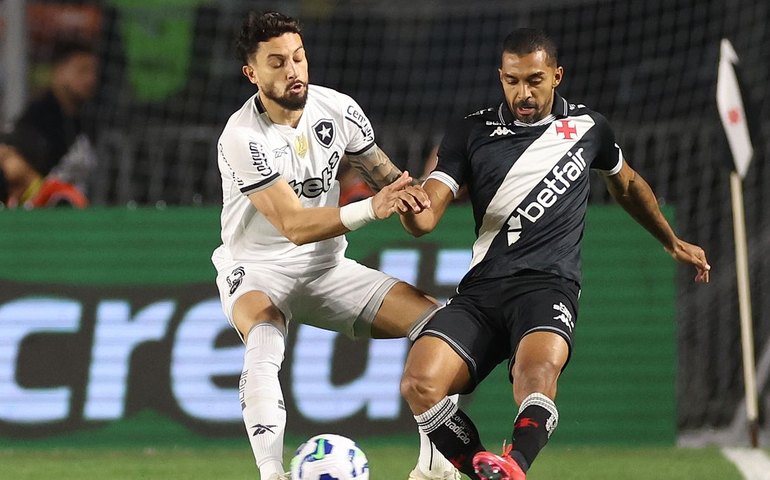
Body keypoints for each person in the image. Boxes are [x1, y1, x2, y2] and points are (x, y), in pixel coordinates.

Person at [398, 28, 711, 480]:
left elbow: (628, 185)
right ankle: (486, 470)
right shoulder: (471, 131)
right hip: (482, 291)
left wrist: (670, 239)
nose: (522, 93)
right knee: (419, 383)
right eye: (512, 81)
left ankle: (516, 463)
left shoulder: (589, 128)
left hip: (548, 285)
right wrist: (411, 209)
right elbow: (426, 218)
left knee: (537, 372)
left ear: (557, 75)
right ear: (499, 77)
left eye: (534, 80)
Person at [211, 11, 458, 480]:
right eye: (277, 62)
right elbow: (294, 225)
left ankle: (435, 470)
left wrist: (440, 181)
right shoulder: (241, 137)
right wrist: (372, 208)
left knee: (444, 327)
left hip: (327, 270)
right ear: (252, 74)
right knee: (263, 340)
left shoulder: (339, 110)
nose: (293, 71)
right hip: (259, 269)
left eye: (299, 58)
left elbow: (398, 190)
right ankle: (271, 472)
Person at [0, 39, 99, 194]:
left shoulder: (90, 119)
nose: (90, 79)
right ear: (59, 71)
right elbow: (15, 173)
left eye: (93, 72)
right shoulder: (36, 121)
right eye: (82, 70)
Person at [0, 131, 88, 208]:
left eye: (6, 157)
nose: (1, 164)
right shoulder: (10, 203)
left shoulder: (58, 196)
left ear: (27, 158)